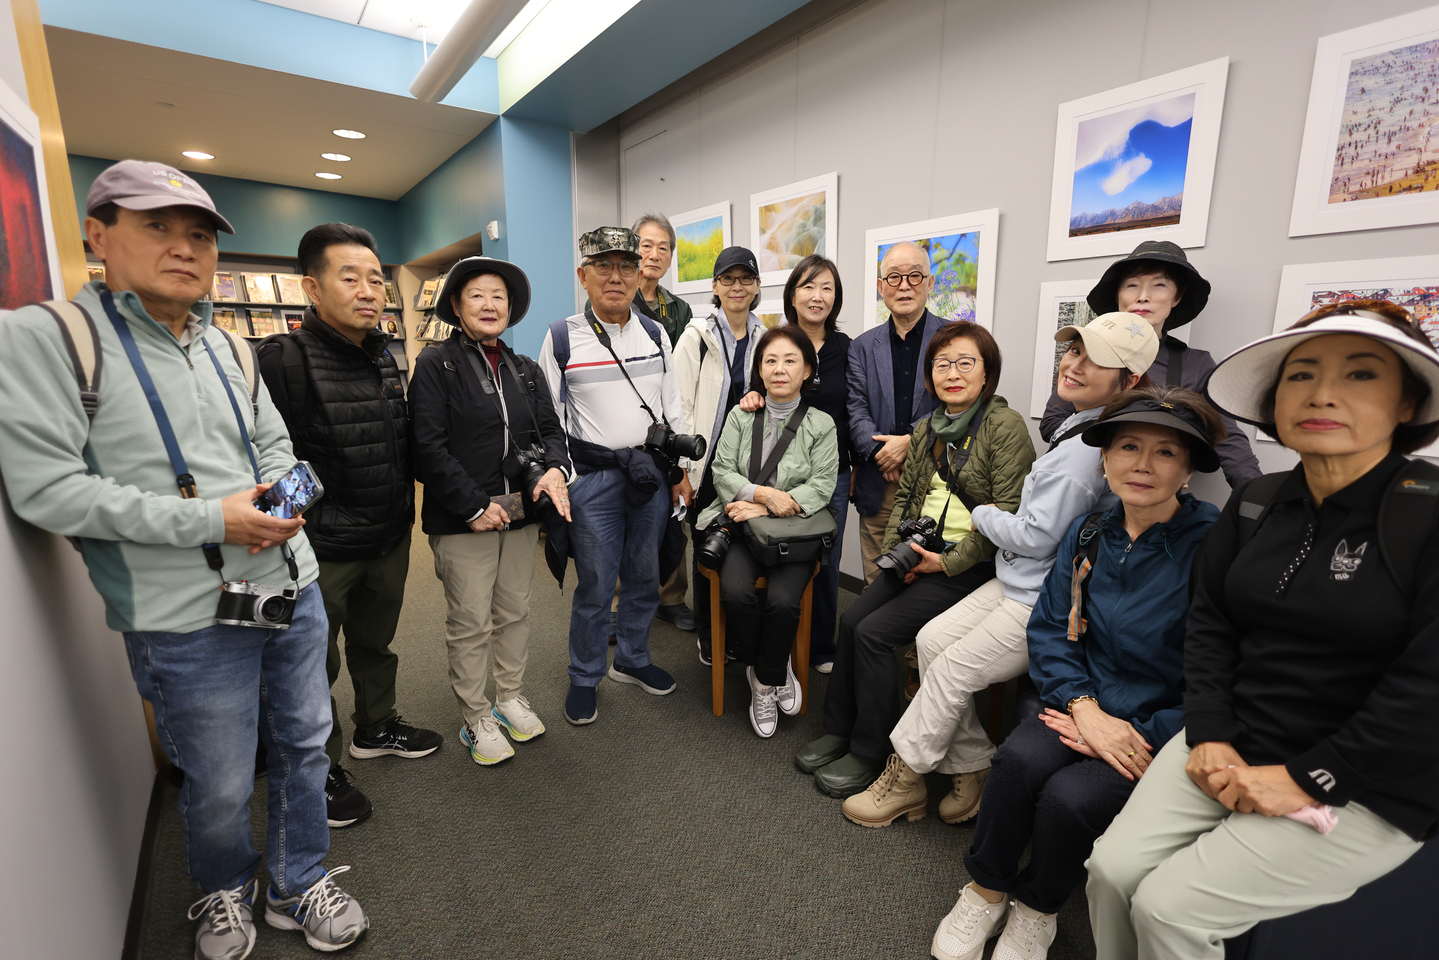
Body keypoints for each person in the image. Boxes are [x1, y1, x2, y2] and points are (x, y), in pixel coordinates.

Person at [0, 161, 367, 957]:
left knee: (307, 746)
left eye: (198, 235)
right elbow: (48, 491)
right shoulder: (45, 337)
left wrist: (284, 499)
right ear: (98, 235)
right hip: (182, 616)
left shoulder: (230, 347)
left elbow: (273, 443)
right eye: (156, 227)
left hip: (288, 586)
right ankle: (224, 890)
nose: (183, 248)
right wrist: (213, 517)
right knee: (223, 775)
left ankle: (300, 881)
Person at [1087, 301, 1439, 960]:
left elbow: (1425, 692)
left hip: (1366, 783)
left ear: (1405, 405)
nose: (1323, 394)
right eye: (1300, 375)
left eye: (1360, 375)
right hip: (1231, 739)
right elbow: (1211, 624)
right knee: (1110, 870)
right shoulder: (1256, 503)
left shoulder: (1424, 513)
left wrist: (1311, 777)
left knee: (1171, 910)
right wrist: (1211, 733)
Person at [927, 386, 1223, 960]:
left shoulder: (1215, 549)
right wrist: (1084, 708)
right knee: (1015, 761)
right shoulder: (1090, 531)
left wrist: (1147, 733)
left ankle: (1038, 906)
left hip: (1159, 723)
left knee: (1070, 798)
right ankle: (984, 890)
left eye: (1165, 452)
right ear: (1105, 459)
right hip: (1079, 699)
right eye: (1128, 446)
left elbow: (1222, 671)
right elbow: (1049, 629)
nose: (1142, 464)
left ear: (1187, 468)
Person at [860, 313, 1160, 828]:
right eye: (1072, 352)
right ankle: (972, 768)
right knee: (931, 642)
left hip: (1042, 595)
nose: (1073, 364)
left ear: (1128, 380)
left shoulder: (1086, 448)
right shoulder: (1078, 428)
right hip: (1016, 576)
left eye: (1094, 360)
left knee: (951, 668)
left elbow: (1035, 533)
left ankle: (905, 777)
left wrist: (980, 513)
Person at [795, 321, 1035, 798]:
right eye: (942, 364)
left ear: (987, 375)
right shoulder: (927, 428)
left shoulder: (1004, 427)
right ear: (930, 377)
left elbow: (1006, 516)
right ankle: (840, 729)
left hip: (968, 565)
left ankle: (872, 749)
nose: (952, 373)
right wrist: (894, 559)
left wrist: (942, 564)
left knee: (877, 636)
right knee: (853, 620)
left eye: (966, 363)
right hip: (916, 552)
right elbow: (905, 498)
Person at [256, 222, 441, 831]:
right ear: (311, 287)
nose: (369, 291)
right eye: (349, 277)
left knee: (375, 642)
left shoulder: (383, 356)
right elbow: (266, 460)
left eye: (375, 279)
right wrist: (288, 538)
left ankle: (377, 726)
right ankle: (320, 767)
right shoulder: (282, 361)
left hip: (388, 536)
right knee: (311, 664)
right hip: (321, 547)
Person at [409, 257, 572, 767]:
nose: (489, 304)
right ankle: (476, 713)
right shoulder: (437, 364)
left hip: (520, 514)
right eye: (477, 295)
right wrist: (474, 505)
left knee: (515, 611)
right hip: (463, 519)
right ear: (457, 306)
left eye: (498, 296)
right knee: (472, 620)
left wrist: (555, 472)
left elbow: (552, 434)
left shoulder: (524, 370)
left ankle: (508, 697)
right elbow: (426, 447)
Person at [539, 227, 692, 726]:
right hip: (595, 479)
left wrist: (679, 472)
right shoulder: (562, 337)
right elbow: (549, 420)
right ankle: (585, 675)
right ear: (582, 275)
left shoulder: (655, 332)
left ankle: (632, 657)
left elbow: (672, 407)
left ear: (638, 273)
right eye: (603, 266)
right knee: (598, 584)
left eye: (626, 266)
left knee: (645, 574)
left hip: (648, 474)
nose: (616, 276)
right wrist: (563, 477)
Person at [696, 325, 838, 737]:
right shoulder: (742, 415)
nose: (779, 369)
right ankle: (770, 669)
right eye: (770, 360)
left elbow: (822, 484)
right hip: (742, 530)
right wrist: (761, 494)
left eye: (790, 360)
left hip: (794, 532)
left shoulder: (822, 424)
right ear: (759, 369)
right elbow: (722, 470)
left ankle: (765, 676)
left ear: (808, 369)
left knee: (781, 601)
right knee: (736, 594)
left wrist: (765, 503)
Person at [1038, 240, 1261, 488]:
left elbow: (1228, 439)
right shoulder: (1086, 351)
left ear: (1177, 296)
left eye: (1159, 286)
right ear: (1118, 294)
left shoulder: (1194, 364)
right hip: (1077, 491)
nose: (1143, 297)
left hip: (1153, 503)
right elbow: (1053, 424)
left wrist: (1256, 497)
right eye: (1132, 285)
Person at [738, 254, 852, 673]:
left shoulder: (845, 348)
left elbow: (853, 406)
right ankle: (776, 646)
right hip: (774, 470)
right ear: (792, 294)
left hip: (828, 474)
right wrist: (750, 398)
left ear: (835, 297)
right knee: (774, 553)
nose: (817, 296)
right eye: (807, 286)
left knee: (825, 556)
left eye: (826, 288)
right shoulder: (775, 339)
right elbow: (756, 391)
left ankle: (821, 643)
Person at [588, 213, 696, 631]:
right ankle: (618, 605)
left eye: (662, 247)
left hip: (665, 428)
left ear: (670, 256)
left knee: (673, 519)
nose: (653, 255)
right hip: (621, 435)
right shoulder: (613, 297)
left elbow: (678, 376)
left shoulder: (679, 308)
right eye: (645, 247)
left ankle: (671, 597)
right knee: (622, 525)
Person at [674, 246, 765, 663]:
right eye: (728, 279)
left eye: (745, 279)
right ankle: (708, 633)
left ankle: (740, 628)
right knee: (706, 546)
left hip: (746, 467)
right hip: (704, 463)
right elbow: (678, 407)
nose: (737, 287)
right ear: (715, 286)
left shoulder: (766, 336)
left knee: (742, 544)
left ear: (757, 286)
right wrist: (682, 470)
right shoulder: (696, 336)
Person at [848, 241, 954, 583]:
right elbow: (856, 408)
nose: (904, 285)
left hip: (934, 481)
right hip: (879, 483)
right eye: (893, 277)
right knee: (876, 581)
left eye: (913, 276)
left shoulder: (955, 339)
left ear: (929, 283)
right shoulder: (862, 346)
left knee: (926, 585)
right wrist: (884, 455)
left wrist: (909, 444)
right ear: (881, 288)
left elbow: (961, 406)